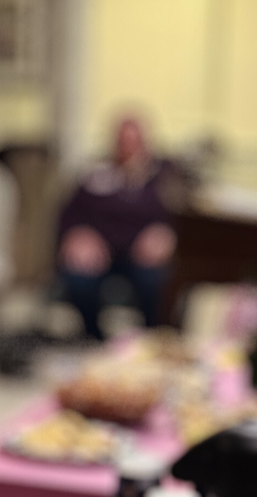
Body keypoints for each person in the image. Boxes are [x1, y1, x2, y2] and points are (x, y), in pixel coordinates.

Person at [57, 116, 177, 340]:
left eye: (134, 141)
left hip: (143, 257)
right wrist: (76, 236)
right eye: (123, 141)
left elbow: (182, 216)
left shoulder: (163, 176)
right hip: (99, 255)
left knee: (154, 279)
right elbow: (68, 215)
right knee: (78, 278)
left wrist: (165, 235)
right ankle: (93, 337)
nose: (129, 148)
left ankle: (148, 338)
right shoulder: (95, 174)